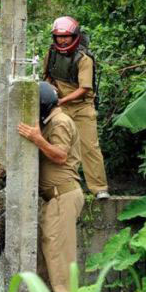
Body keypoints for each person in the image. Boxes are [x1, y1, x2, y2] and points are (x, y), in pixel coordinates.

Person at [17, 81, 84, 292]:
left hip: (61, 197)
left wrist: (38, 139)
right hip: (54, 199)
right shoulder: (51, 121)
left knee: (59, 261)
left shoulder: (60, 121)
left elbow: (61, 155)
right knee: (47, 260)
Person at [43, 16, 110, 200]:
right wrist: (51, 91)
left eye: (66, 37)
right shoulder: (51, 53)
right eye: (58, 36)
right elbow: (47, 76)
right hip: (59, 105)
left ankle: (99, 188)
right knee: (59, 146)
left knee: (89, 147)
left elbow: (84, 89)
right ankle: (63, 186)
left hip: (81, 107)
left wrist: (61, 101)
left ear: (75, 37)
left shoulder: (84, 59)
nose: (62, 40)